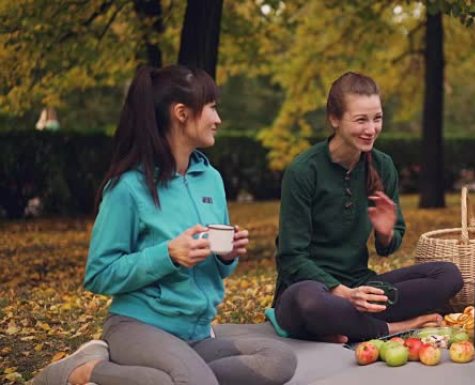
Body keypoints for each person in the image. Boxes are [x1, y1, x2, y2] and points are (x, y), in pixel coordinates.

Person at [33, 65, 296, 385]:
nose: (218, 119)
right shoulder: (128, 188)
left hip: (196, 333)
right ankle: (85, 371)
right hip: (138, 327)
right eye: (212, 108)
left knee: (279, 360)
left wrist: (227, 257)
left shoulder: (210, 179)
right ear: (182, 113)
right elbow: (98, 274)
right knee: (192, 380)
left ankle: (163, 375)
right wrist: (168, 255)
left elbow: (220, 270)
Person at [272, 72, 463, 343]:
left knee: (447, 275)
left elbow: (388, 247)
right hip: (311, 289)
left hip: (363, 286)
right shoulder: (304, 171)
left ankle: (344, 327)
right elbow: (291, 258)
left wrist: (385, 233)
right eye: (361, 119)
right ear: (334, 119)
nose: (371, 129)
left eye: (377, 118)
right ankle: (394, 327)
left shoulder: (383, 166)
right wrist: (343, 293)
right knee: (311, 304)